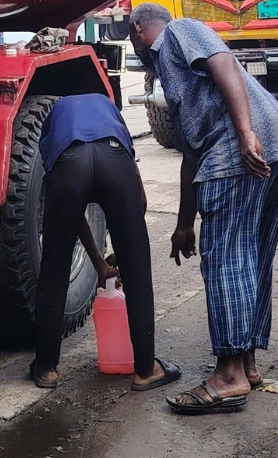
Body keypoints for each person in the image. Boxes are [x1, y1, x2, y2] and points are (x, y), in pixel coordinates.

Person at [129, 3, 278, 415]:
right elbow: (192, 150)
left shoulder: (179, 31)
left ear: (138, 29)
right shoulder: (171, 72)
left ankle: (228, 376)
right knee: (252, 254)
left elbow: (223, 62)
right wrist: (184, 223)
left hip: (242, 148)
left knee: (225, 257)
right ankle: (248, 365)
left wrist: (244, 133)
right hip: (276, 145)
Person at [30, 92, 181, 392]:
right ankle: (145, 369)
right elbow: (136, 188)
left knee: (54, 269)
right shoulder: (108, 108)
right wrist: (128, 250)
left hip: (68, 160)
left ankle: (46, 368)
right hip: (115, 159)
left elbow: (70, 215)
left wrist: (100, 263)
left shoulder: (56, 114)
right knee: (137, 270)